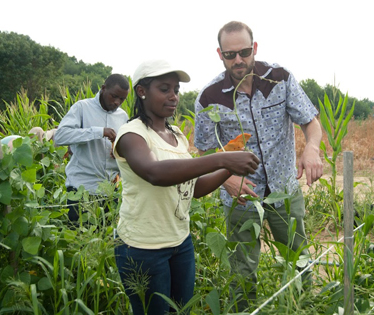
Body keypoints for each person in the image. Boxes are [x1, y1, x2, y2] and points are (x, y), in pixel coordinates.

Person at [193, 21, 324, 310]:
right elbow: (203, 151)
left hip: (284, 190)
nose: (238, 60)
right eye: (230, 55)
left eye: (243, 52)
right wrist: (226, 180)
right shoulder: (209, 97)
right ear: (219, 54)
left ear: (254, 48)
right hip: (240, 195)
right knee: (242, 269)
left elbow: (310, 122)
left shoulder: (279, 78)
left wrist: (311, 148)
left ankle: (301, 307)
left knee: (298, 257)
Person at [113, 59, 260, 315]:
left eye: (176, 90)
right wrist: (222, 158)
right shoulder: (131, 134)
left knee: (180, 311)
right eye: (164, 89)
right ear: (141, 91)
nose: (174, 97)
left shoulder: (177, 135)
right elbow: (154, 173)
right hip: (143, 248)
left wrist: (229, 168)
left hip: (180, 242)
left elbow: (194, 188)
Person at [53, 74, 130, 223]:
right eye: (114, 96)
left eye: (122, 99)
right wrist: (99, 132)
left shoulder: (123, 116)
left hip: (109, 192)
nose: (116, 102)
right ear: (103, 89)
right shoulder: (82, 107)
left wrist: (119, 152)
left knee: (106, 241)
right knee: (79, 240)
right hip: (81, 190)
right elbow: (61, 136)